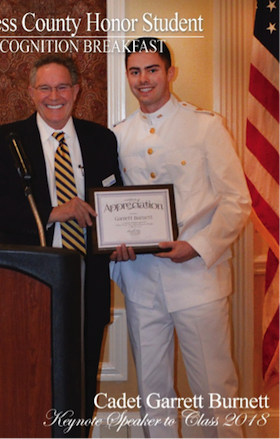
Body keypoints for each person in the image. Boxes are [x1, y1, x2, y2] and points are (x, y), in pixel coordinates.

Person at [110, 37, 251, 439]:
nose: (143, 79)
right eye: (135, 71)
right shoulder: (118, 135)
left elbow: (235, 201)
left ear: (170, 72)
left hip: (198, 280)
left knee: (215, 394)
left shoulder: (206, 126)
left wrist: (198, 246)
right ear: (127, 77)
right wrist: (116, 244)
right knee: (152, 395)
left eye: (152, 69)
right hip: (141, 282)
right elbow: (116, 207)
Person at [0, 54, 122, 432]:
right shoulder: (4, 140)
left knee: (82, 381)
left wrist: (125, 236)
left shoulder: (101, 140)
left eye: (62, 87)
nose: (53, 96)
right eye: (45, 87)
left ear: (76, 90)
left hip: (88, 284)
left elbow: (117, 201)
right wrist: (55, 211)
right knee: (28, 379)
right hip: (26, 284)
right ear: (30, 92)